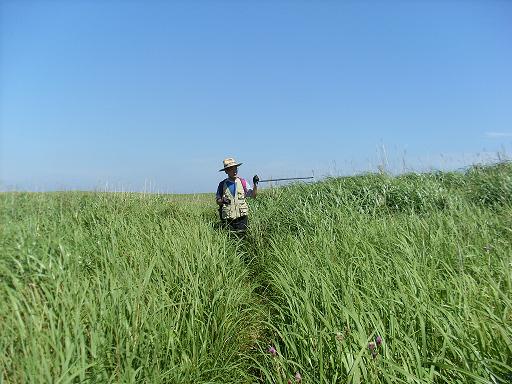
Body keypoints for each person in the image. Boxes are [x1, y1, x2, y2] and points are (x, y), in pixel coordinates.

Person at [216, 157, 259, 232]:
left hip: (242, 219)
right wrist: (222, 201)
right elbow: (217, 201)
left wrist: (255, 184)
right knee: (230, 240)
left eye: (235, 168)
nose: (234, 171)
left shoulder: (243, 182)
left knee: (243, 239)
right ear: (226, 171)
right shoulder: (222, 184)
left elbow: (253, 196)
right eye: (231, 169)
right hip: (228, 219)